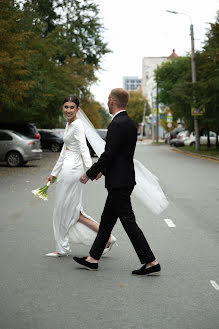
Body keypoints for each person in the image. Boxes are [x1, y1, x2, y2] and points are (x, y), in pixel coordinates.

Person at [73, 88, 161, 276]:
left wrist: (90, 173)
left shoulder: (117, 124)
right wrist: (103, 171)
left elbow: (110, 153)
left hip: (119, 182)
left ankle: (151, 261)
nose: (107, 102)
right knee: (106, 223)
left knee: (129, 222)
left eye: (107, 99)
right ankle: (92, 259)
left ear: (112, 101)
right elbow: (120, 154)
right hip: (122, 178)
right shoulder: (129, 123)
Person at [46, 95, 116, 257]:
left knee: (64, 210)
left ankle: (62, 248)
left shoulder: (77, 125)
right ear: (63, 108)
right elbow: (64, 151)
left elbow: (84, 149)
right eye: (66, 107)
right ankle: (106, 237)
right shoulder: (69, 125)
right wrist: (54, 173)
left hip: (73, 170)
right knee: (72, 211)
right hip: (66, 169)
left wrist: (90, 171)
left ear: (78, 109)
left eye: (72, 107)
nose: (68, 110)